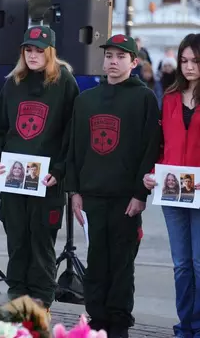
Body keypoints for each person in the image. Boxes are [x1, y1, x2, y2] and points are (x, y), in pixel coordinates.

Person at [65, 34, 161, 338]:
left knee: (121, 264)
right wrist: (74, 191)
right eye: (109, 56)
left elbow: (150, 147)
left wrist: (140, 194)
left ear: (134, 62)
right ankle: (97, 319)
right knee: (96, 261)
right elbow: (75, 148)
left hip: (125, 198)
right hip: (92, 194)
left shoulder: (144, 98)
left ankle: (119, 322)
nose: (113, 62)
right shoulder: (86, 99)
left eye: (121, 56)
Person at [0, 25, 79, 310]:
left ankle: (40, 300)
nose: (33, 55)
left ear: (50, 52)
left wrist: (60, 171)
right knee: (17, 238)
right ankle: (17, 295)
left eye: (39, 50)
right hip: (13, 180)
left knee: (41, 242)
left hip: (47, 180)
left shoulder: (64, 82)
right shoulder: (13, 82)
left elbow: (71, 134)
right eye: (28, 50)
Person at [142, 33, 200, 338]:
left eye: (195, 61)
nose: (189, 67)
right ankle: (185, 328)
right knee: (181, 265)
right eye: (184, 60)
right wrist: (152, 173)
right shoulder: (170, 97)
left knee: (199, 264)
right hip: (173, 192)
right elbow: (161, 145)